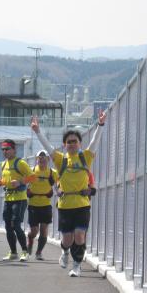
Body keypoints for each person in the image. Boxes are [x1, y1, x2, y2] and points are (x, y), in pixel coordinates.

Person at [31, 111, 106, 277]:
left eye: (75, 141)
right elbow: (48, 147)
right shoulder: (60, 160)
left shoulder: (86, 156)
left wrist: (100, 125)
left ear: (79, 143)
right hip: (65, 206)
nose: (72, 144)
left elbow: (95, 142)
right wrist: (37, 131)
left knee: (79, 236)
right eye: (69, 142)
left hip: (82, 205)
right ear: (65, 145)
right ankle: (65, 253)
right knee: (67, 240)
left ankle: (77, 266)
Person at [0, 139, 36, 262]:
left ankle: (25, 251)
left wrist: (20, 182)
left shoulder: (20, 163)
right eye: (3, 149)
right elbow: (6, 181)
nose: (5, 151)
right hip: (8, 199)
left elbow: (33, 177)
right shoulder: (3, 164)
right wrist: (0, 182)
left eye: (7, 149)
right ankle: (13, 252)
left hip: (20, 199)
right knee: (8, 226)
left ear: (14, 150)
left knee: (16, 225)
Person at [26, 150, 58, 260]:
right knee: (34, 231)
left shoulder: (52, 172)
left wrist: (59, 192)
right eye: (40, 158)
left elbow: (59, 185)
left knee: (44, 230)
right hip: (33, 205)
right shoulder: (32, 171)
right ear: (37, 160)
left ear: (48, 160)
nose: (42, 160)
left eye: (44, 158)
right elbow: (23, 183)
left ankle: (38, 252)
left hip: (46, 205)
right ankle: (30, 241)